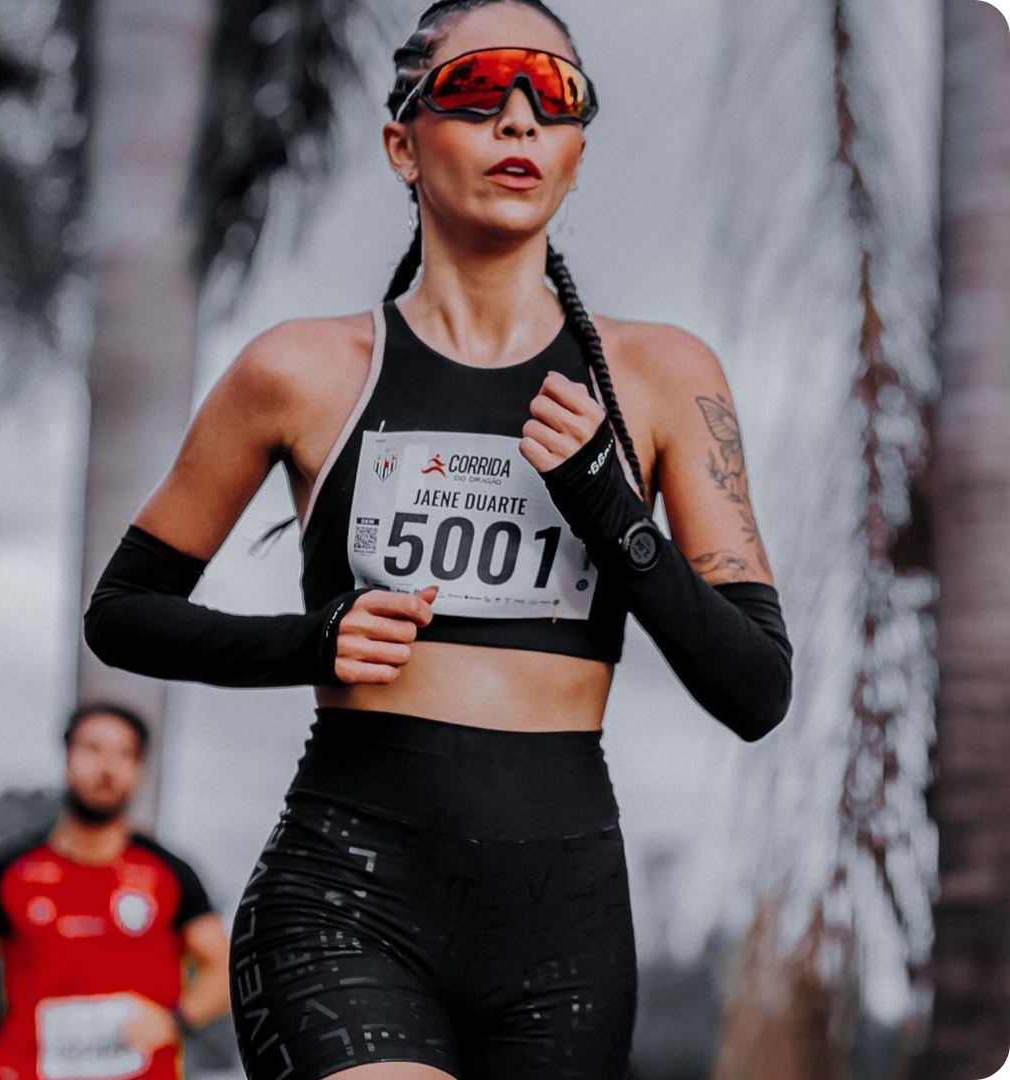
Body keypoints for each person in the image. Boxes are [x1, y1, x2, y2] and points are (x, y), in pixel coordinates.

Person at [82, 1, 794, 1076]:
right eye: (478, 87)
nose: (519, 118)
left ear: (576, 153)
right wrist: (314, 642)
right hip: (343, 899)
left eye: (555, 95)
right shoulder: (301, 370)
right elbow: (123, 614)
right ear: (401, 145)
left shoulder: (661, 377)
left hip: (564, 935)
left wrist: (608, 505)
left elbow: (756, 689)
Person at [0, 703, 231, 1080]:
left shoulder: (170, 874)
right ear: (68, 756)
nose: (107, 767)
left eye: (124, 753)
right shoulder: (10, 870)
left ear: (139, 768)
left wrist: (176, 1020)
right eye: (92, 749)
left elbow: (222, 967)